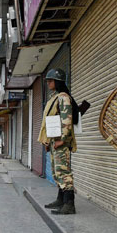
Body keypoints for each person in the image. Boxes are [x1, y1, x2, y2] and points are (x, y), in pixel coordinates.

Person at [38, 68, 79, 215]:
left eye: (50, 80)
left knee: (63, 172)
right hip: (54, 142)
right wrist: (48, 141)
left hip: (61, 142)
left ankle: (69, 204)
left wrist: (63, 140)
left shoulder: (63, 97)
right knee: (57, 172)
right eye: (48, 80)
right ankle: (60, 199)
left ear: (58, 81)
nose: (48, 83)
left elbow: (66, 120)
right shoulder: (54, 97)